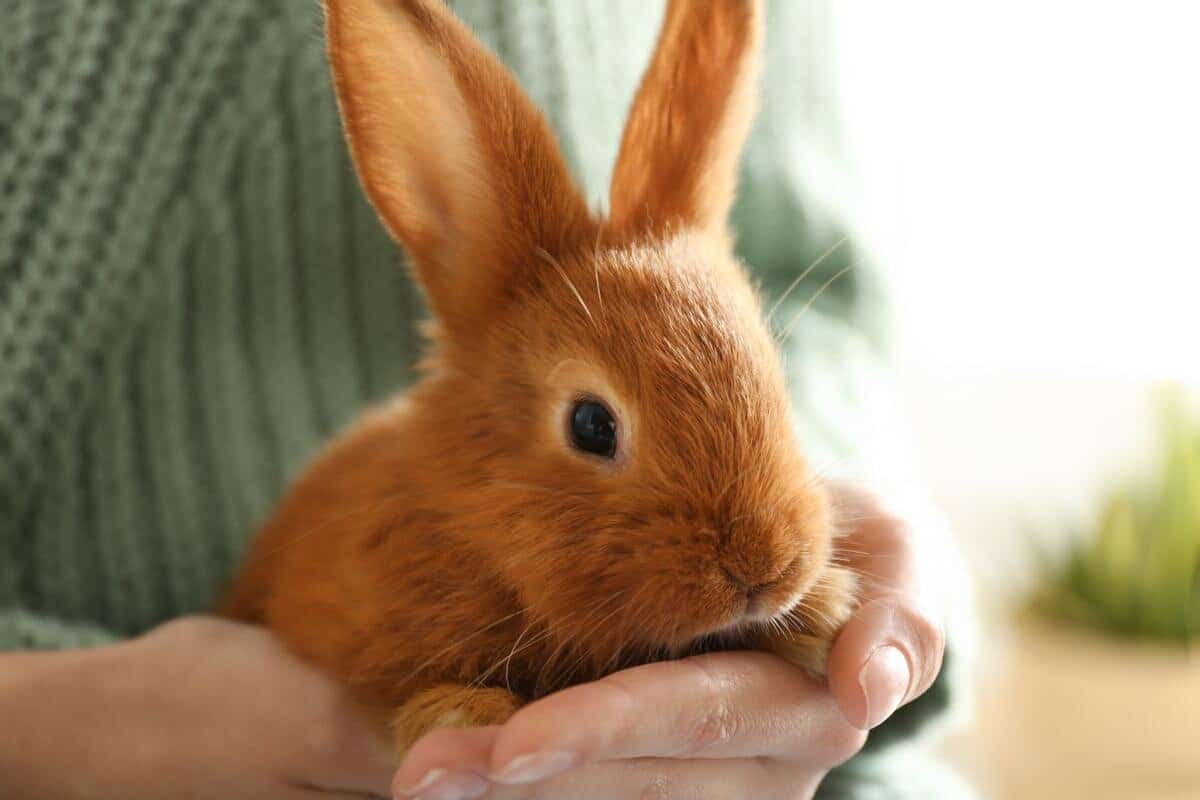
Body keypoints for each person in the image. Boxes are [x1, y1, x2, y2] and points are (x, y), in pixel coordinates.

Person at [0, 1, 972, 798]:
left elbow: (819, 286)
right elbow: (337, 640)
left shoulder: (751, 547)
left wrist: (854, 627)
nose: (756, 556)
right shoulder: (416, 561)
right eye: (596, 428)